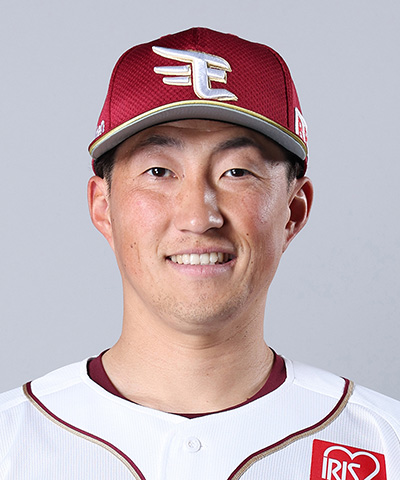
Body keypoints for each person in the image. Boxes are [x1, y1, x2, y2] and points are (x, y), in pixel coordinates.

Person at [0, 27, 399, 479]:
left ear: (293, 210)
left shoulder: (385, 443)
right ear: (103, 207)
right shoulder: (11, 442)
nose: (198, 216)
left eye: (237, 171)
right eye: (158, 171)